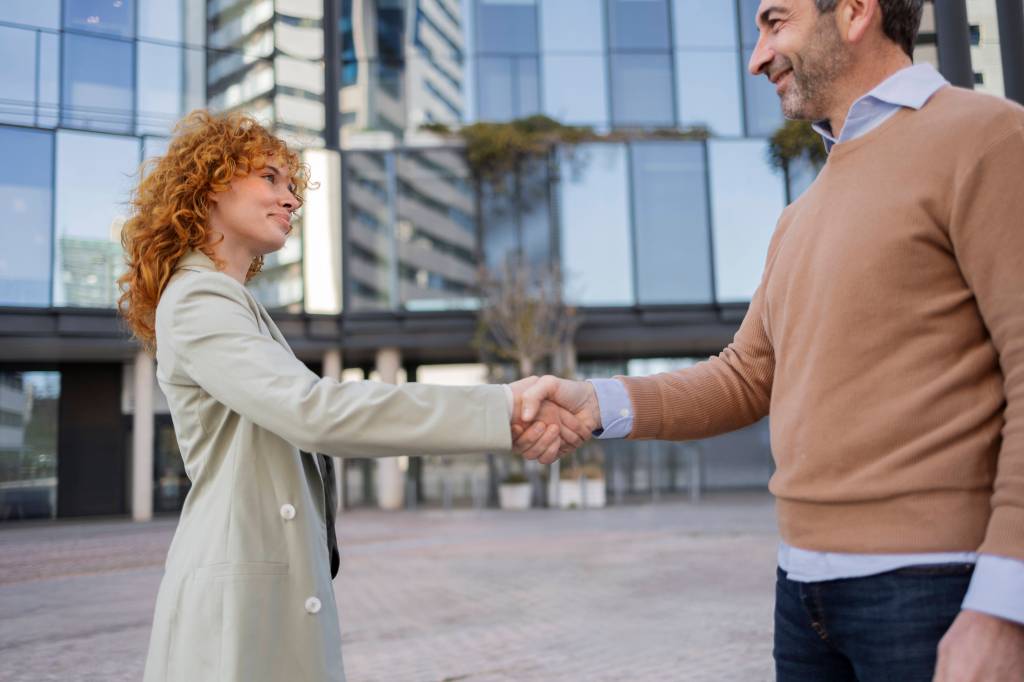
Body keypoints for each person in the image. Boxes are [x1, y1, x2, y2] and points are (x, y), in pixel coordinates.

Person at [513, 1, 1024, 679]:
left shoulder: (988, 137)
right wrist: (594, 403)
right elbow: (746, 375)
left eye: (774, 23)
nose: (756, 58)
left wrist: (1004, 606)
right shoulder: (800, 216)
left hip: (932, 589)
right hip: (803, 594)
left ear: (854, 12)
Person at [117, 110, 588, 682]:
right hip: (232, 615)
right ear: (208, 187)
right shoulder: (197, 300)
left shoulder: (232, 303)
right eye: (269, 178)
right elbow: (313, 411)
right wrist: (501, 407)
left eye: (292, 186)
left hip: (258, 598)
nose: (290, 199)